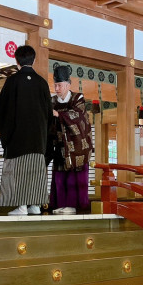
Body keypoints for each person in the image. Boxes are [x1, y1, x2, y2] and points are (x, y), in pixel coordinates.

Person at [0, 45, 52, 215]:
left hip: (17, 139)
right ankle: (35, 205)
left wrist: (2, 130)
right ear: (34, 60)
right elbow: (49, 113)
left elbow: (2, 110)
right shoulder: (42, 83)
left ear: (16, 60)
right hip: (37, 139)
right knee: (35, 170)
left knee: (18, 170)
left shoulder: (12, 81)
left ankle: (21, 207)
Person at [49, 65, 93, 215]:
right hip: (60, 144)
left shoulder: (77, 98)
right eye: (55, 85)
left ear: (68, 85)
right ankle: (60, 204)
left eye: (59, 85)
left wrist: (58, 114)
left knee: (73, 179)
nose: (57, 88)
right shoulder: (53, 100)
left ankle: (73, 206)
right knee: (60, 178)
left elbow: (78, 116)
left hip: (77, 146)